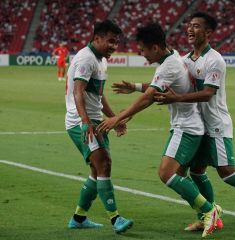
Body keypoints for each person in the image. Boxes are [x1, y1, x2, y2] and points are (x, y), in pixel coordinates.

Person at [154, 12, 235, 231]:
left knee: (227, 173)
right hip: (198, 125)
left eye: (196, 26)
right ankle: (210, 216)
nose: (190, 30)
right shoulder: (184, 61)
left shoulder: (215, 60)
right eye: (189, 26)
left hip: (216, 124)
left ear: (208, 32)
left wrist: (177, 98)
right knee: (197, 171)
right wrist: (138, 88)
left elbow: (208, 93)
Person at [97, 22, 221, 238]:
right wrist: (134, 89)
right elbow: (156, 91)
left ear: (154, 47)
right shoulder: (172, 57)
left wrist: (118, 117)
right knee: (181, 175)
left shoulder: (169, 65)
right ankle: (208, 212)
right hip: (186, 125)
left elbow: (148, 98)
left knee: (167, 174)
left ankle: (209, 211)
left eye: (143, 49)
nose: (141, 53)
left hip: (187, 127)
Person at [65, 19, 133, 234]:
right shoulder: (86, 59)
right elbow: (78, 92)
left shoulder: (101, 60)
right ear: (97, 39)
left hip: (96, 120)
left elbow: (98, 95)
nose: (114, 46)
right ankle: (115, 219)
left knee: (97, 170)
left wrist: (115, 119)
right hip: (81, 121)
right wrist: (85, 122)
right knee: (104, 163)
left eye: (117, 42)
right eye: (110, 41)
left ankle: (78, 218)